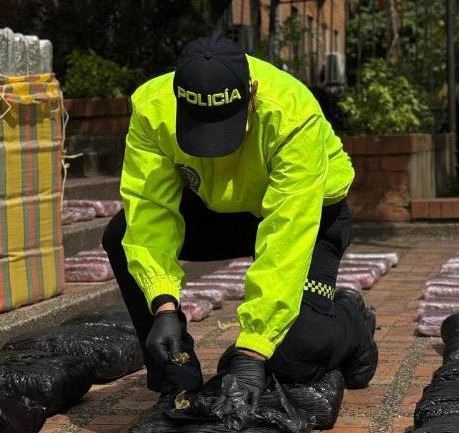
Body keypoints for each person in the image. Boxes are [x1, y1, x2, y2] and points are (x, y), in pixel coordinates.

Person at [101, 31, 378, 424]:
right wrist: (163, 303)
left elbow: (286, 238)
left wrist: (251, 352)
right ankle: (175, 376)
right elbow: (150, 211)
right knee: (120, 234)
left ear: (251, 93)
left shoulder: (291, 114)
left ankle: (352, 321)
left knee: (293, 354)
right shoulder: (152, 108)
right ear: (179, 100)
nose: (215, 144)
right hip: (221, 207)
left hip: (311, 213)